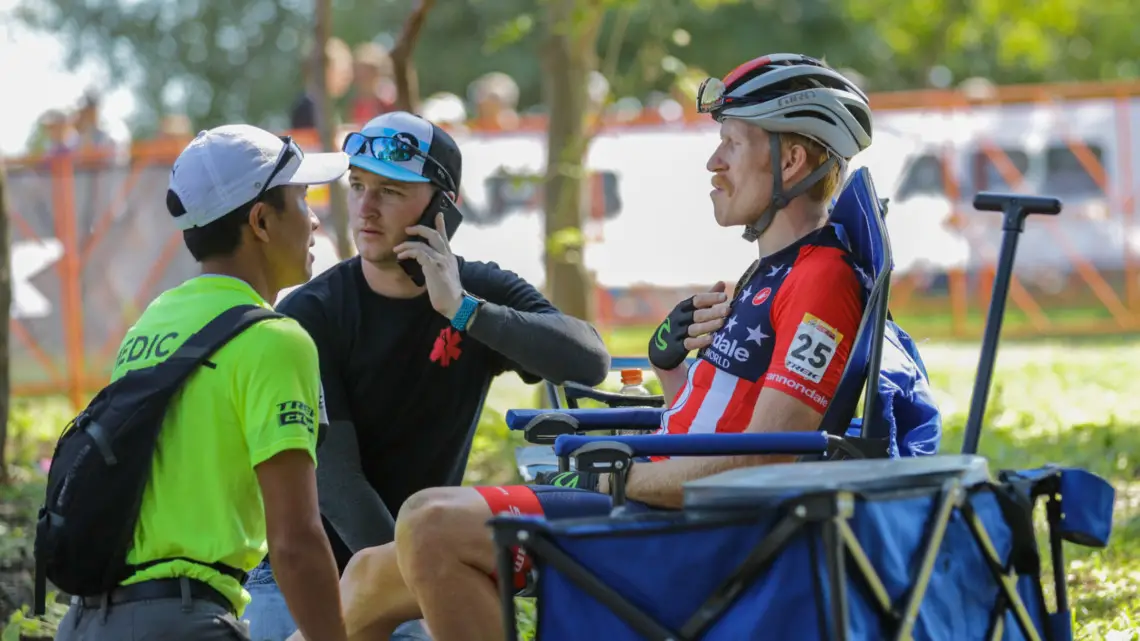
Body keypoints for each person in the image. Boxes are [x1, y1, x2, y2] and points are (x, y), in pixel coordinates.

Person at [283, 53, 877, 641]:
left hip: (686, 533)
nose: (713, 162)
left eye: (732, 143)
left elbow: (767, 458)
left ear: (792, 158)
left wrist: (616, 476)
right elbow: (709, 423)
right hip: (658, 507)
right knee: (373, 569)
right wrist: (671, 368)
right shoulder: (769, 274)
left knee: (431, 525)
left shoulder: (820, 277)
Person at [243, 110, 612, 641]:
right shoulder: (312, 313)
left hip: (422, 565)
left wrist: (464, 311)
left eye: (390, 191)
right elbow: (339, 486)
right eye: (358, 186)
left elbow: (588, 360)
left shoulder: (478, 292)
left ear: (442, 209)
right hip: (304, 578)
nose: (365, 209)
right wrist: (418, 600)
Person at [53, 125, 352, 640]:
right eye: (302, 200)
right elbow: (296, 541)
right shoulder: (278, 341)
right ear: (260, 221)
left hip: (87, 622)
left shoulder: (154, 320)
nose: (315, 220)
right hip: (181, 623)